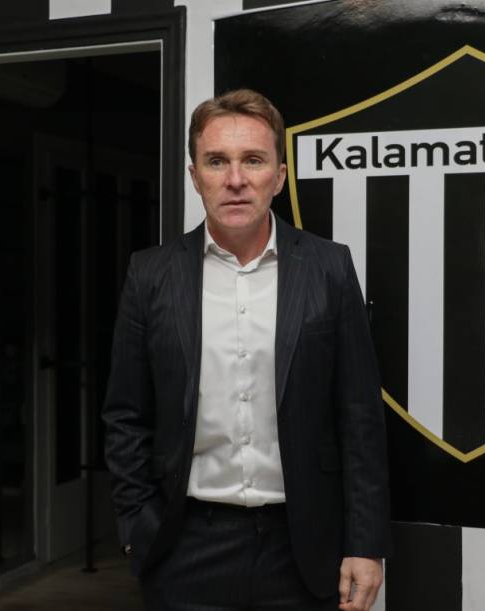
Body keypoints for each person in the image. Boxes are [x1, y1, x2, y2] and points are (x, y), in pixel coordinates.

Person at [102, 89, 391, 611]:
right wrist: (137, 528)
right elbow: (125, 415)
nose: (235, 179)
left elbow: (360, 417)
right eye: (217, 161)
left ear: (279, 176)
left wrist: (365, 544)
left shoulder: (328, 269)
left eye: (253, 160)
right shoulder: (150, 275)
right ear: (195, 177)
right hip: (184, 547)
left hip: (303, 549)